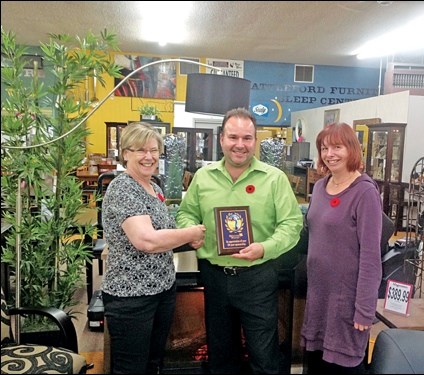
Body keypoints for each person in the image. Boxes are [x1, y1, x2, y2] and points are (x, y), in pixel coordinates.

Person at [176, 107, 303, 374]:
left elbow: (292, 224)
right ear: (221, 139)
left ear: (255, 141)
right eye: (233, 137)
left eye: (247, 138)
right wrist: (191, 232)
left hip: (258, 277)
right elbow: (186, 213)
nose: (240, 145)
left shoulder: (274, 179)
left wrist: (264, 248)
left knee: (264, 357)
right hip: (213, 277)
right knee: (221, 356)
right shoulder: (203, 177)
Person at [100, 121, 206, 374]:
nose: (148, 157)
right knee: (131, 368)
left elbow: (165, 233)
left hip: (161, 290)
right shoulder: (122, 188)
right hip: (131, 298)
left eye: (153, 150)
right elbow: (146, 240)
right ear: (125, 153)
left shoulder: (154, 187)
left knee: (153, 364)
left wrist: (188, 237)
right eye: (140, 150)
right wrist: (191, 232)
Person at [300, 122, 383, 374]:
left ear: (352, 149)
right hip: (318, 299)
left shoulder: (365, 193)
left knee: (343, 366)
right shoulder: (319, 186)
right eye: (324, 148)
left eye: (337, 147)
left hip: (346, 304)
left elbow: (371, 258)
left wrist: (364, 311)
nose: (330, 154)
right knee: (315, 367)